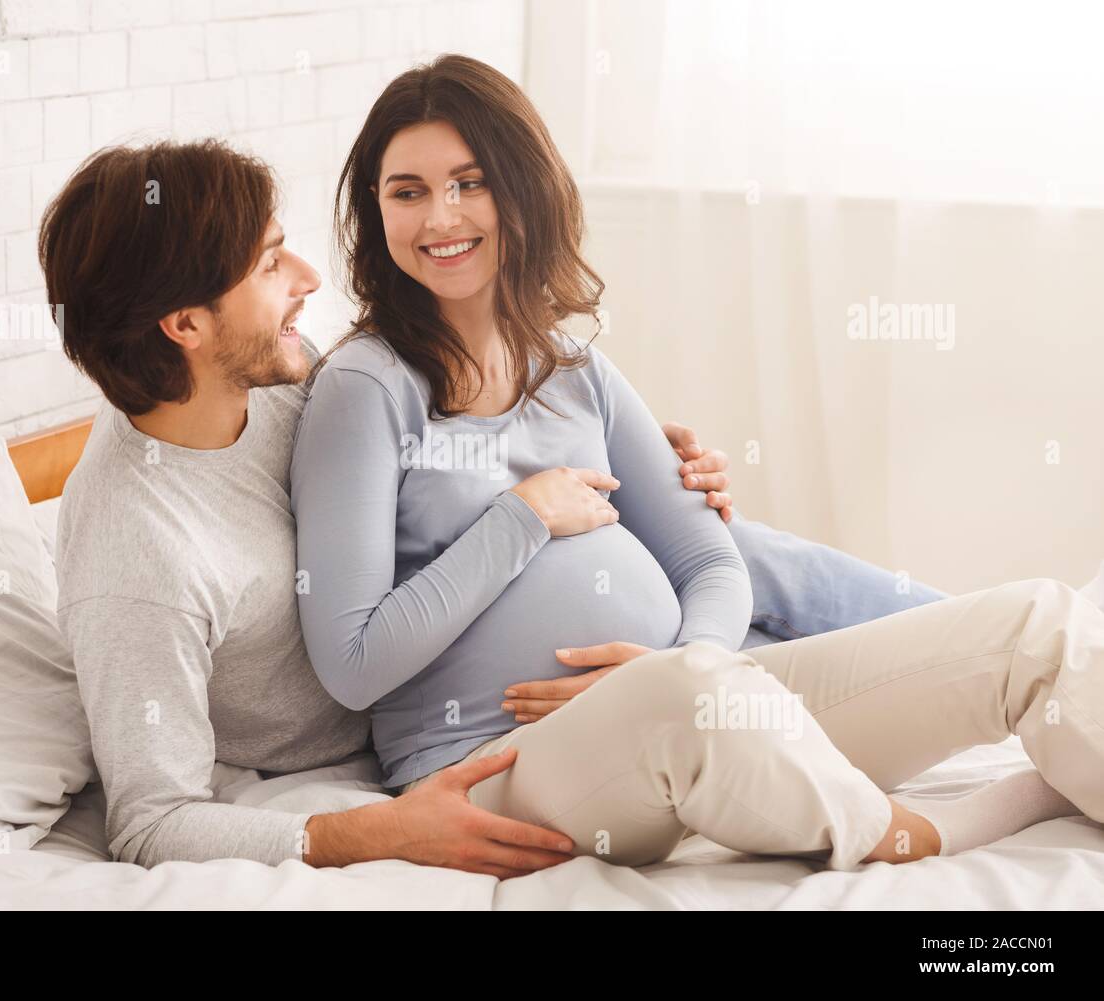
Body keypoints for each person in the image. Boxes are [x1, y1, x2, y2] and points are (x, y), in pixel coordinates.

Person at [290, 55, 1098, 870]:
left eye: (470, 183)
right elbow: (352, 664)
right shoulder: (366, 386)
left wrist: (688, 658)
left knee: (1032, 624)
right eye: (408, 191)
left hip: (692, 707)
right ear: (374, 208)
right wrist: (523, 516)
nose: (441, 216)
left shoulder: (573, 369)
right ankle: (925, 830)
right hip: (494, 761)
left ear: (522, 189)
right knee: (690, 700)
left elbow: (710, 557)